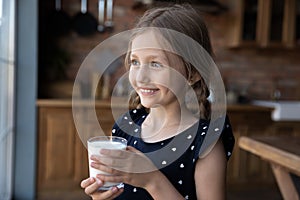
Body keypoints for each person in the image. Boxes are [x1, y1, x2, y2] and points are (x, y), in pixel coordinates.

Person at [81, 3, 235, 200]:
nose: (141, 77)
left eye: (156, 63)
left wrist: (151, 180)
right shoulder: (124, 126)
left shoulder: (206, 143)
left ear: (193, 72)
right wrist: (102, 195)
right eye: (135, 62)